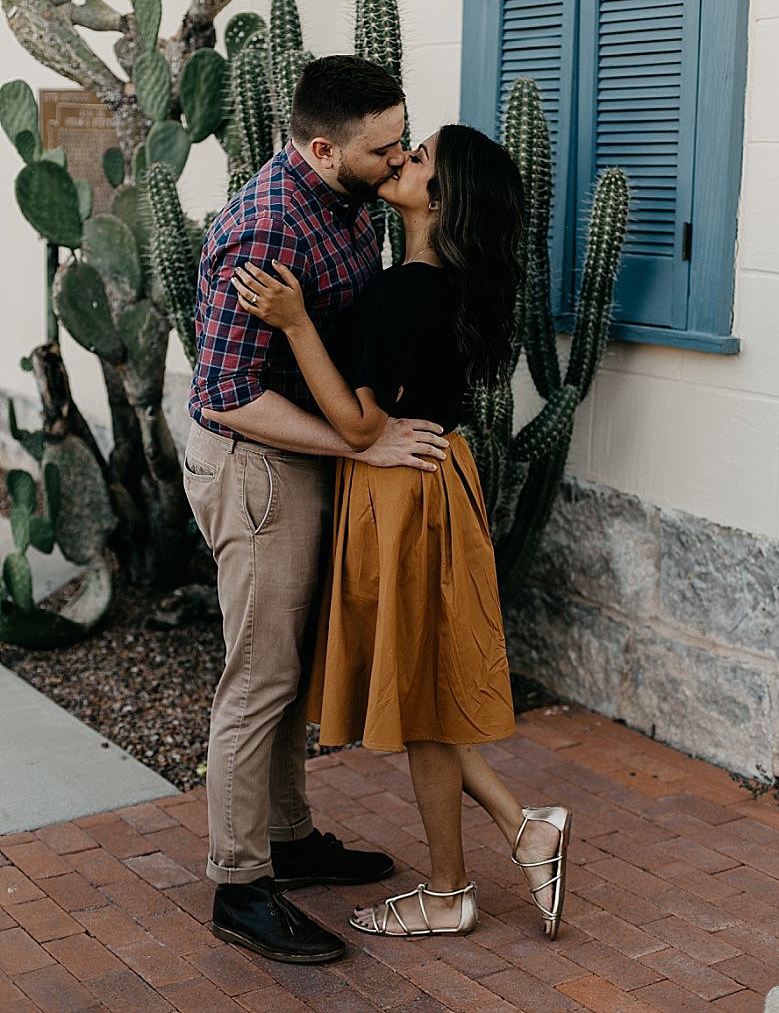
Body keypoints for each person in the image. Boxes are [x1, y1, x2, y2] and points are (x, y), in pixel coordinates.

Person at [230, 123, 571, 942]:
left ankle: (458, 884)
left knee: (417, 694)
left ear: (441, 198)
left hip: (399, 493)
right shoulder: (451, 286)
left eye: (419, 160)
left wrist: (294, 321)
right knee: (420, 694)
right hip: (437, 482)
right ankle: (518, 834)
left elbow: (357, 423)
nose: (402, 159)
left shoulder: (403, 291)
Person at [184, 55, 452, 965]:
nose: (400, 161)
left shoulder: (348, 199)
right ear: (323, 147)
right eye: (384, 151)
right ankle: (239, 883)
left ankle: (290, 839)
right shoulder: (263, 228)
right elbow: (223, 392)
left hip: (306, 457)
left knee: (290, 672)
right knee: (257, 679)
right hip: (254, 466)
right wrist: (359, 442)